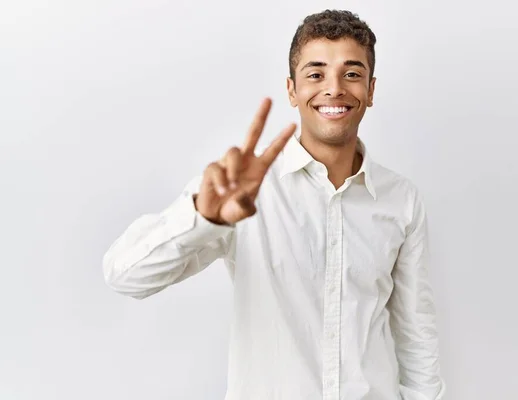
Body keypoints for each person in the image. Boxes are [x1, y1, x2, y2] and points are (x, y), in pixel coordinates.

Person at [103, 9, 445, 400]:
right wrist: (203, 217)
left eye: (352, 73)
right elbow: (123, 275)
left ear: (370, 89)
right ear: (291, 89)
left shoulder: (401, 198)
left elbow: (416, 335)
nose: (334, 88)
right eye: (315, 74)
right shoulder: (241, 190)